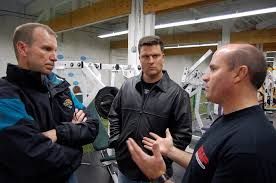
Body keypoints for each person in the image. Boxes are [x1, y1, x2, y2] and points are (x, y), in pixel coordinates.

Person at [127, 43, 276, 183]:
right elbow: (204, 164)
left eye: (213, 68)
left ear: (239, 73)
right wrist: (171, 150)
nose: (205, 76)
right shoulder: (227, 120)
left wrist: (159, 176)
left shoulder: (248, 147)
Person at [0, 23, 99, 183]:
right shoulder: (5, 95)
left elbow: (93, 125)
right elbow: (33, 157)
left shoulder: (59, 87)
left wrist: (58, 134)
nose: (54, 57)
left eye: (55, 50)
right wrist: (76, 146)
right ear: (23, 49)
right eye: (46, 49)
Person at [108, 35, 192, 182]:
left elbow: (183, 135)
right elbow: (114, 114)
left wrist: (162, 157)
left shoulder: (178, 95)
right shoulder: (127, 86)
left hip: (155, 173)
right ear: (140, 59)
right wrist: (117, 141)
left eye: (155, 55)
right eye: (145, 56)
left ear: (163, 57)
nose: (151, 61)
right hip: (125, 168)